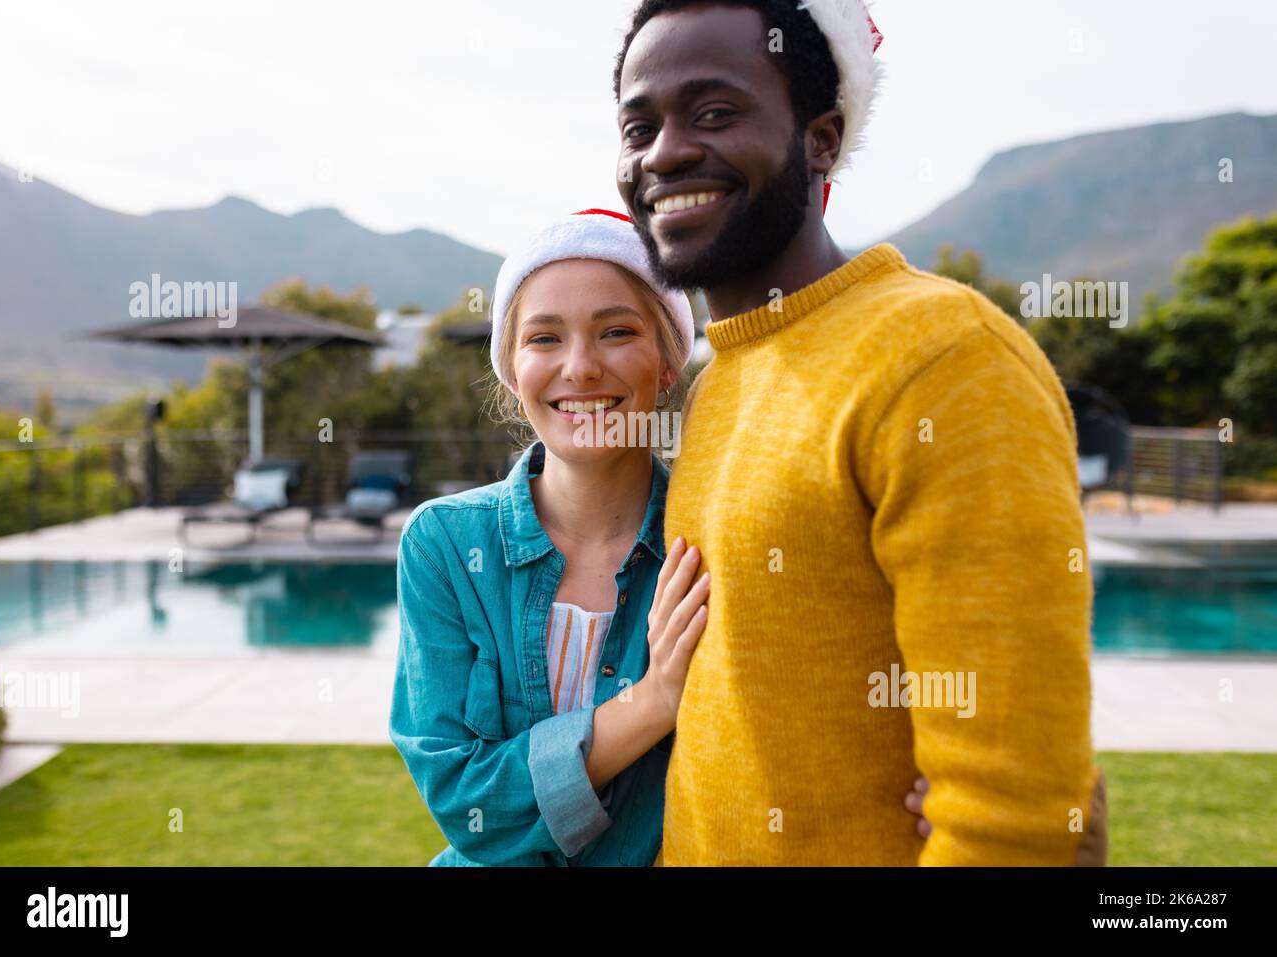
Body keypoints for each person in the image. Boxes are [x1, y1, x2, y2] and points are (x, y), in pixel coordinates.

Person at [611, 0, 1106, 864]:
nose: (666, 152)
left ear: (822, 139)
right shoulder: (711, 387)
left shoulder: (943, 358)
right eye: (638, 125)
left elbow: (1011, 815)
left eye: (715, 112)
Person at [388, 209, 935, 865]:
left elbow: (826, 687)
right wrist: (654, 701)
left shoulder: (722, 534)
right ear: (511, 368)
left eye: (616, 331)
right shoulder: (443, 545)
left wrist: (924, 766)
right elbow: (468, 806)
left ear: (668, 361)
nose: (581, 367)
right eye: (544, 338)